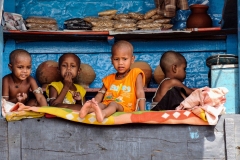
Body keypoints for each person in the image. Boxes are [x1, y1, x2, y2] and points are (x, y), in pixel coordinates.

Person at [79, 40, 146, 122]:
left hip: (125, 107)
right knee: (100, 105)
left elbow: (140, 92)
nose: (120, 63)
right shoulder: (109, 78)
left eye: (124, 59)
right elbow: (101, 93)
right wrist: (94, 103)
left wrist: (143, 112)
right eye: (116, 59)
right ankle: (86, 111)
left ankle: (102, 114)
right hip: (106, 104)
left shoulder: (135, 73)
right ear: (111, 60)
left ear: (132, 59)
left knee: (113, 104)